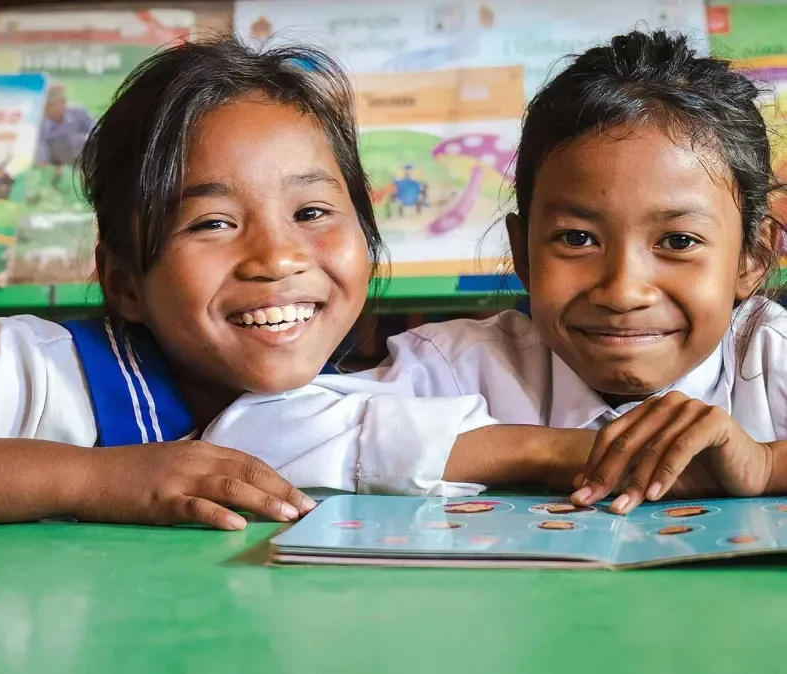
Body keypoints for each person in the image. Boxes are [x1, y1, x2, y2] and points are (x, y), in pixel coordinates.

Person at [0, 37, 574, 535]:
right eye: (211, 223)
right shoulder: (38, 373)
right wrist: (90, 480)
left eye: (313, 213)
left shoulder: (361, 389)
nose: (276, 258)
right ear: (119, 278)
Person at [208, 31, 787, 513]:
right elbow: (251, 437)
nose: (623, 290)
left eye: (679, 241)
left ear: (752, 258)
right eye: (577, 239)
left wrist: (763, 465)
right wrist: (551, 452)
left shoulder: (767, 358)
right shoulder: (465, 366)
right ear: (524, 253)